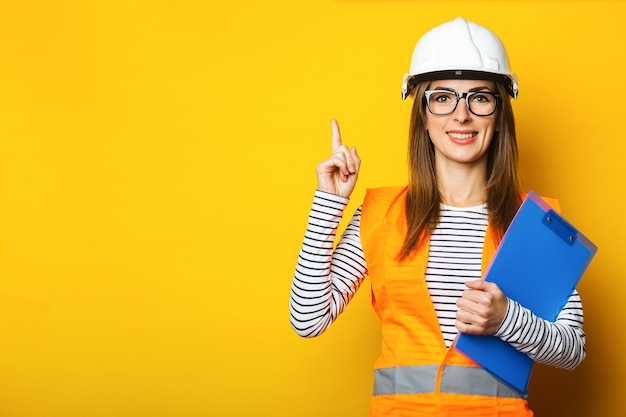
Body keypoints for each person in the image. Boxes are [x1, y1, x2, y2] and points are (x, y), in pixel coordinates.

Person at [289, 16, 585, 417]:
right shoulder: (381, 215)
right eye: (442, 97)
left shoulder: (534, 224)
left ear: (499, 116)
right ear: (423, 114)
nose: (461, 115)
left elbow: (573, 349)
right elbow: (308, 319)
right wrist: (329, 203)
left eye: (479, 97)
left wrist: (506, 319)